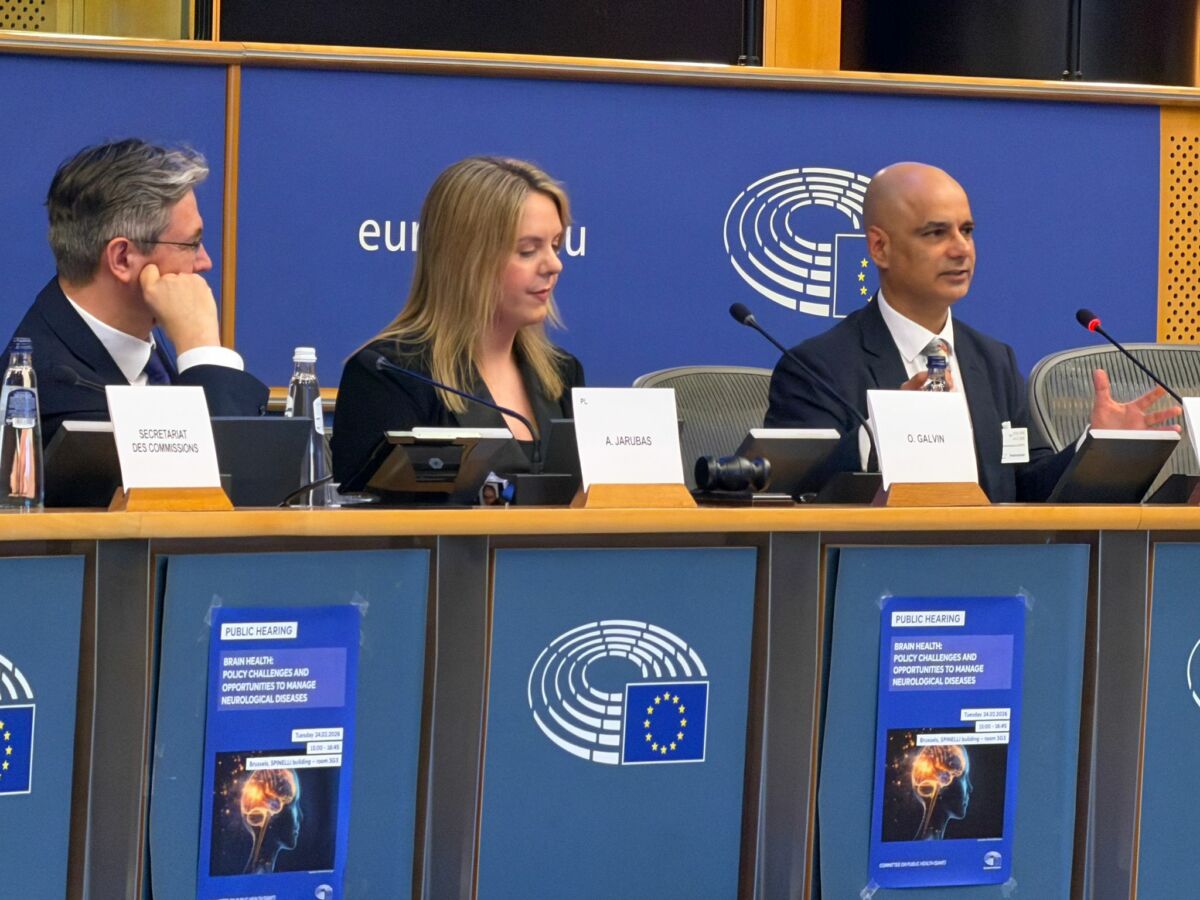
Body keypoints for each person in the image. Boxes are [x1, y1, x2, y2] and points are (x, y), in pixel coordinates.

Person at [765, 161, 1179, 502]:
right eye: (936, 233)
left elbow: (1027, 489)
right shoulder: (816, 368)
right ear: (880, 248)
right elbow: (794, 490)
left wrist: (1097, 445)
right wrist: (879, 433)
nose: (961, 248)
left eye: (966, 231)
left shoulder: (993, 360)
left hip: (994, 564)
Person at [332, 156, 584, 491]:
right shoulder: (389, 376)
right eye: (527, 251)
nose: (554, 265)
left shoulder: (562, 374)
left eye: (555, 246)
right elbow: (370, 517)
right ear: (466, 260)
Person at [10, 139, 268, 446]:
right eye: (191, 244)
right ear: (123, 258)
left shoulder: (140, 345)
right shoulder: (54, 393)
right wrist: (202, 348)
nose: (205, 262)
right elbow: (228, 469)